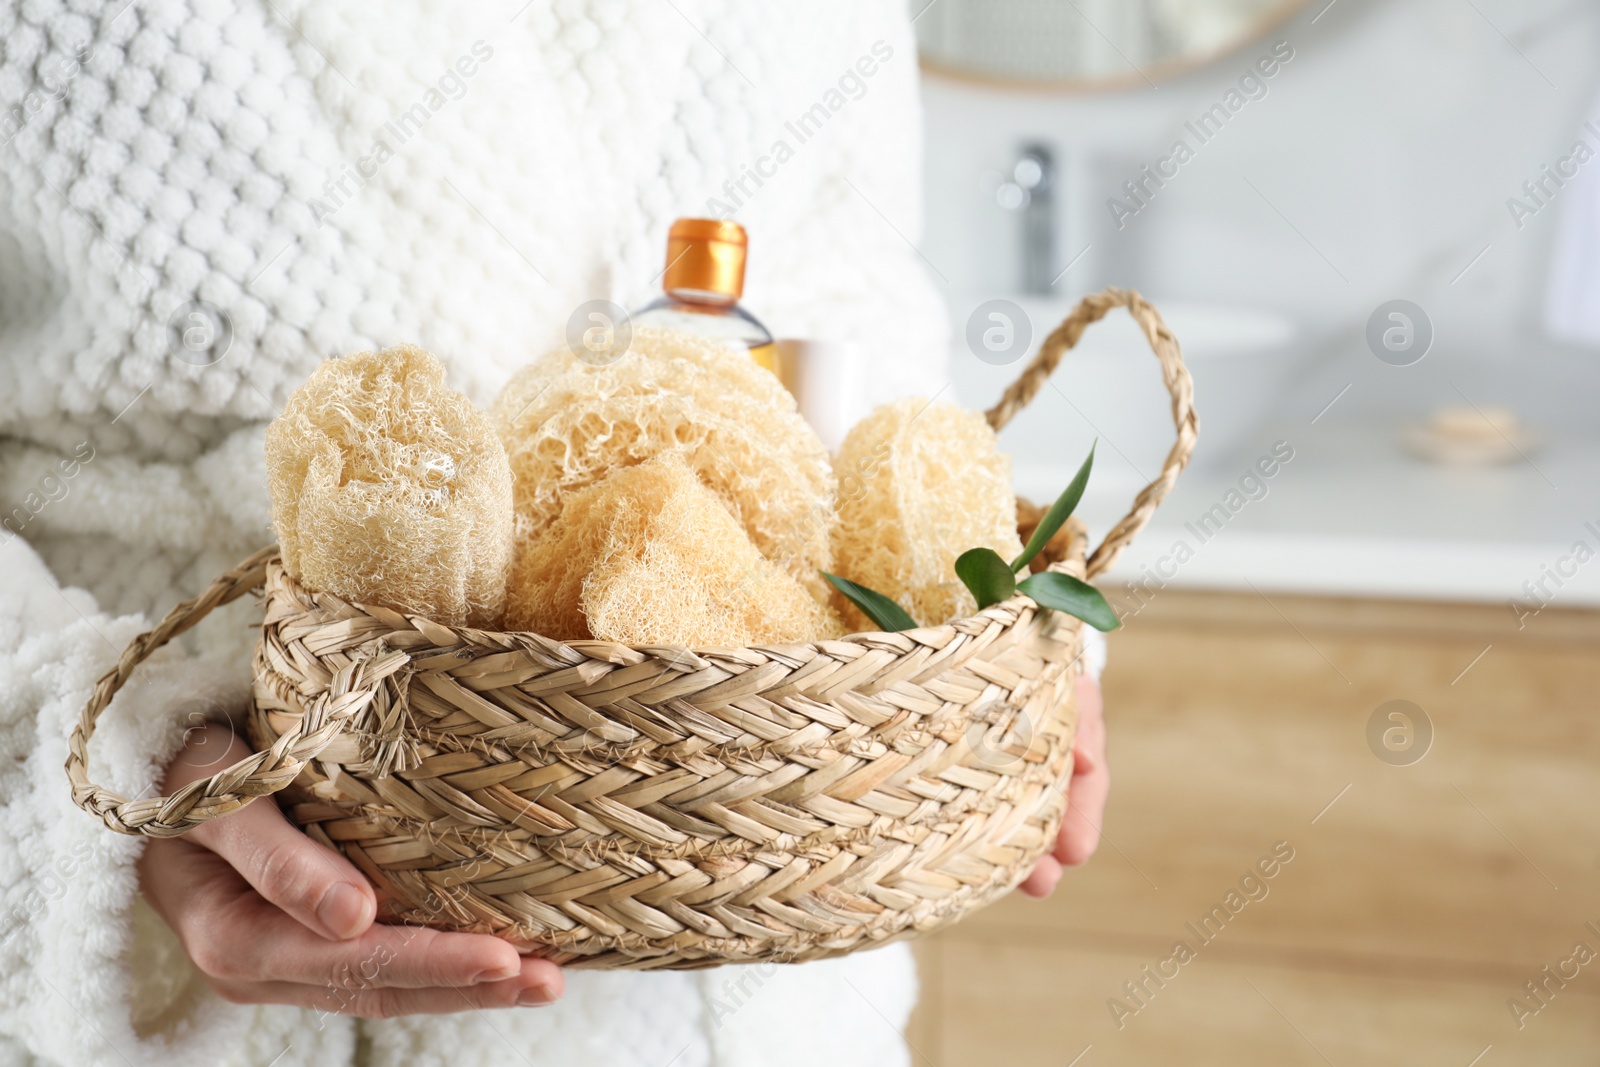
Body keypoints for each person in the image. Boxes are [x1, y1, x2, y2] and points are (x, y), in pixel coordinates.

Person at [0, 2, 1108, 1064]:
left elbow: (852, 269)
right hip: (238, 897)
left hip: (759, 923)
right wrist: (105, 768)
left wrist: (960, 635)